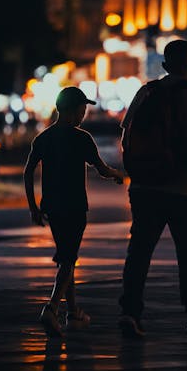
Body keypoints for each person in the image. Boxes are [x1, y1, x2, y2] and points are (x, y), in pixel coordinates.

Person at [118, 39, 187, 337]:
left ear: (164, 66)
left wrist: (138, 174)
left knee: (138, 252)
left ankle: (130, 312)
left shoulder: (146, 91)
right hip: (184, 190)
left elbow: (126, 139)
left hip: (145, 189)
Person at [24, 86, 125, 337]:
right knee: (68, 259)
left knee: (67, 257)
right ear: (73, 111)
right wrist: (117, 174)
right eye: (82, 109)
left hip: (52, 208)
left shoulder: (44, 138)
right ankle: (52, 307)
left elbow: (27, 172)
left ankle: (74, 312)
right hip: (75, 207)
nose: (84, 114)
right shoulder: (81, 138)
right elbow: (101, 168)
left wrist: (33, 207)